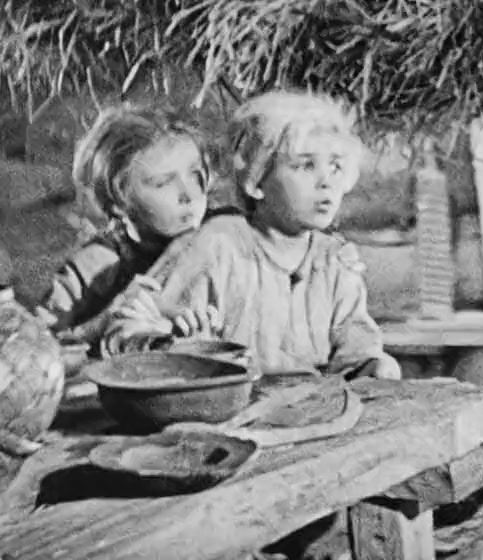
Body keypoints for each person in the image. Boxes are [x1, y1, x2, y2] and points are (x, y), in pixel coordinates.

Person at [106, 90, 401, 380]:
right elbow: (129, 327)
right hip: (223, 400)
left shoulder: (334, 261)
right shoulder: (218, 244)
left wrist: (373, 365)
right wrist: (170, 342)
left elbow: (356, 348)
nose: (326, 181)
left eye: (335, 166)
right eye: (306, 165)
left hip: (310, 404)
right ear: (257, 180)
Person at [35, 104, 212, 351]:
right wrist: (106, 319)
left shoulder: (219, 244)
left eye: (195, 174)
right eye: (163, 183)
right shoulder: (94, 266)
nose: (189, 194)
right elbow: (38, 345)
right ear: (119, 202)